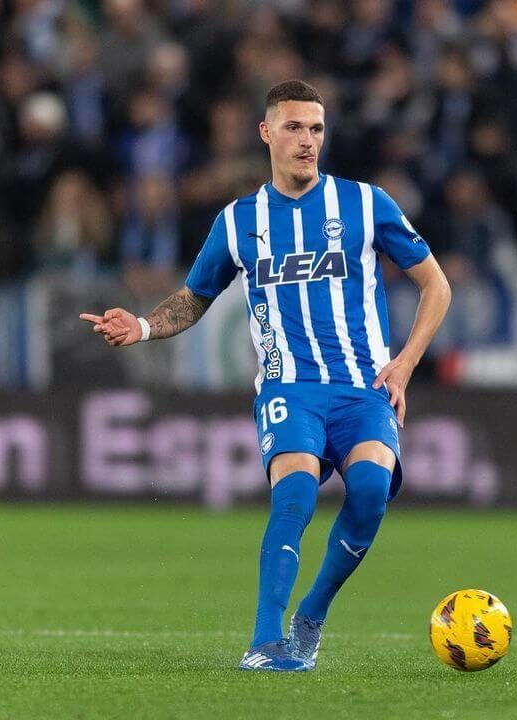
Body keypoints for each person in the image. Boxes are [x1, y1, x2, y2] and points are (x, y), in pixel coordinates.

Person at [80, 80, 451, 672]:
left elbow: (436, 283)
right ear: (266, 132)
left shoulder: (365, 204)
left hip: (363, 388)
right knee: (295, 493)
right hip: (289, 388)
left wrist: (404, 363)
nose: (308, 141)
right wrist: (145, 327)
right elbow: (195, 296)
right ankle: (263, 641)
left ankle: (312, 616)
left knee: (371, 495)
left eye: (317, 129)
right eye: (294, 128)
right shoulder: (237, 221)